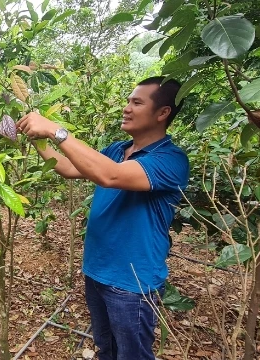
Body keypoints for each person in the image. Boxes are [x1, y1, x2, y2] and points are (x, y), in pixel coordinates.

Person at [16, 77, 189, 360]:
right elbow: (71, 167)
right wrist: (38, 139)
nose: (127, 108)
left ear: (162, 113)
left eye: (137, 102)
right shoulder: (117, 150)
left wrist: (55, 130)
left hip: (131, 282)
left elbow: (110, 175)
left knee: (132, 355)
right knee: (106, 349)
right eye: (128, 101)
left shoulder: (171, 160)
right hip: (97, 271)